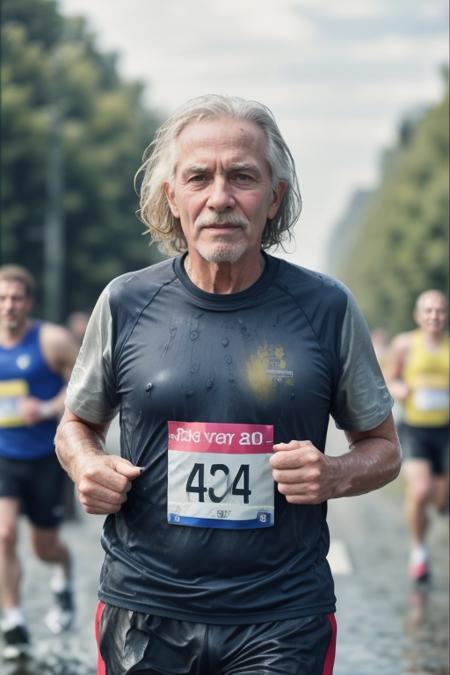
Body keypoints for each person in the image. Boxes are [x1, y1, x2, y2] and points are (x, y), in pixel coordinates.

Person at [55, 94, 401, 675]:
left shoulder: (327, 308)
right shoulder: (125, 301)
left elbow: (385, 449)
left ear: (274, 198)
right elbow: (77, 425)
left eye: (242, 177)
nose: (220, 198)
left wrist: (335, 473)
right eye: (199, 178)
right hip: (145, 610)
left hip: (283, 616)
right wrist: (86, 465)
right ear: (173, 198)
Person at [0, 265, 78, 659]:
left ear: (28, 303)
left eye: (16, 298)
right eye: (2, 299)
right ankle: (13, 620)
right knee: (4, 535)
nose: (8, 306)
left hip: (45, 457)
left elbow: (84, 385)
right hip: (4, 457)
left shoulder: (51, 341)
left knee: (44, 546)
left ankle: (64, 571)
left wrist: (46, 407)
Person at [387, 290, 449, 583]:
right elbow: (391, 375)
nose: (434, 316)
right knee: (420, 490)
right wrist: (399, 389)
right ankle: (418, 552)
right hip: (415, 429)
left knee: (439, 500)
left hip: (445, 431)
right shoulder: (405, 344)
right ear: (418, 315)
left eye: (440, 311)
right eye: (429, 310)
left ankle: (440, 506)